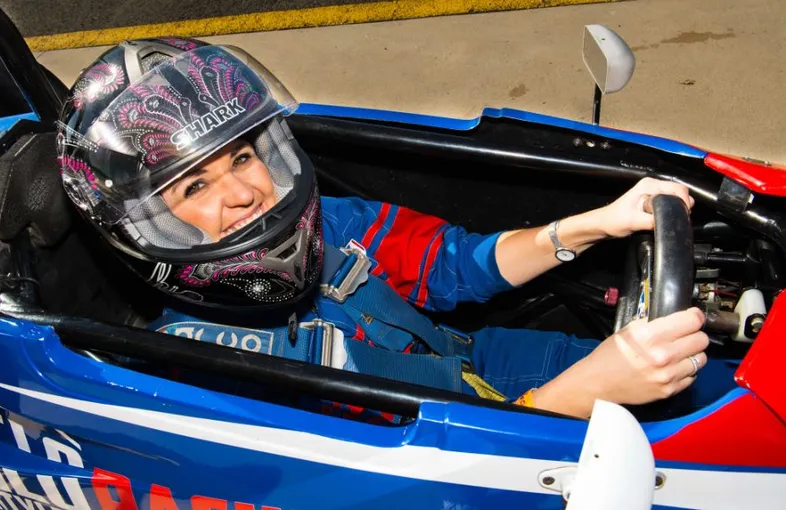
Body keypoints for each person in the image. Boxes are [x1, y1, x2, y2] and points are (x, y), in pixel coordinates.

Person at [56, 37, 730, 421]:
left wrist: (592, 225)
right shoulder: (211, 369)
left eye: (241, 157)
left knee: (725, 382)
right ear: (142, 225)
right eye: (195, 186)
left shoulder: (326, 223)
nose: (243, 192)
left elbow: (453, 265)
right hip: (482, 439)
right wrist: (577, 399)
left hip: (473, 365)